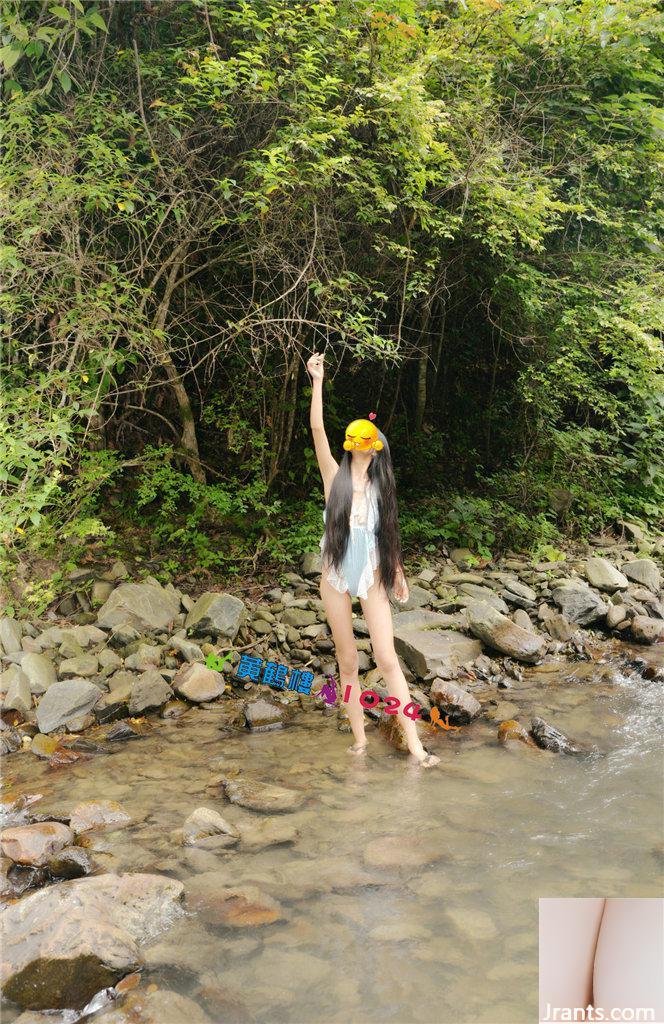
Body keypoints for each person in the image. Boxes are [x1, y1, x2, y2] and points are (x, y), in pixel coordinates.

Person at [307, 351, 440, 768]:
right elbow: (316, 430)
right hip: (335, 576)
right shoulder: (334, 476)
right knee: (347, 661)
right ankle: (360, 741)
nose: (367, 448)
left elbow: (387, 535)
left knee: (387, 659)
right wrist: (317, 382)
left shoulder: (382, 487)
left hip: (372, 576)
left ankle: (416, 746)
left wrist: (397, 570)